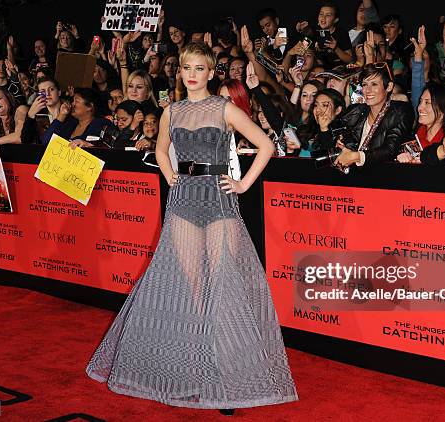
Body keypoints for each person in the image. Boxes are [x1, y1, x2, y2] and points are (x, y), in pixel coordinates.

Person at [86, 42, 298, 414]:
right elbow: (161, 149)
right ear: (180, 72)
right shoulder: (171, 110)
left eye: (200, 68)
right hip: (183, 204)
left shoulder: (223, 108)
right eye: (187, 67)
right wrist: (171, 178)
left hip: (219, 203)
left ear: (211, 72)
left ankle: (225, 379)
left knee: (222, 286)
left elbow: (267, 145)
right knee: (194, 289)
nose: (193, 74)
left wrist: (244, 184)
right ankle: (196, 372)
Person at [331, 63, 415, 169]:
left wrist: (357, 156)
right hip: (353, 175)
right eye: (365, 84)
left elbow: (390, 149)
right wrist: (340, 143)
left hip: (383, 178)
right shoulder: (356, 110)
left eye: (374, 84)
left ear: (389, 87)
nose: (367, 90)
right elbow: (339, 134)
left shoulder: (401, 111)